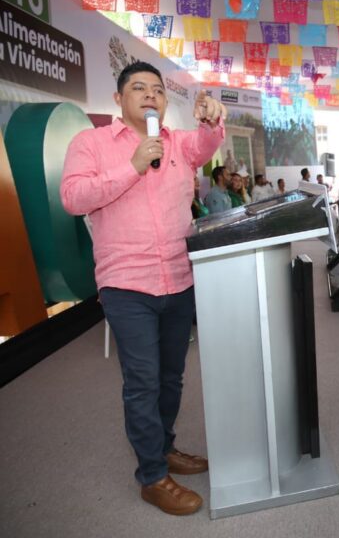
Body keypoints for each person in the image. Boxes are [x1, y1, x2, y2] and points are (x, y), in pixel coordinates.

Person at [60, 61, 227, 515]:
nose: (151, 95)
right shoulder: (90, 143)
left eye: (157, 89)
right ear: (119, 99)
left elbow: (207, 144)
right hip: (126, 283)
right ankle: (152, 475)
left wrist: (212, 119)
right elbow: (74, 198)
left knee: (171, 377)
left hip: (177, 277)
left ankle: (166, 446)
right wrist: (132, 167)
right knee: (142, 381)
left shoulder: (175, 143)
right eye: (139, 88)